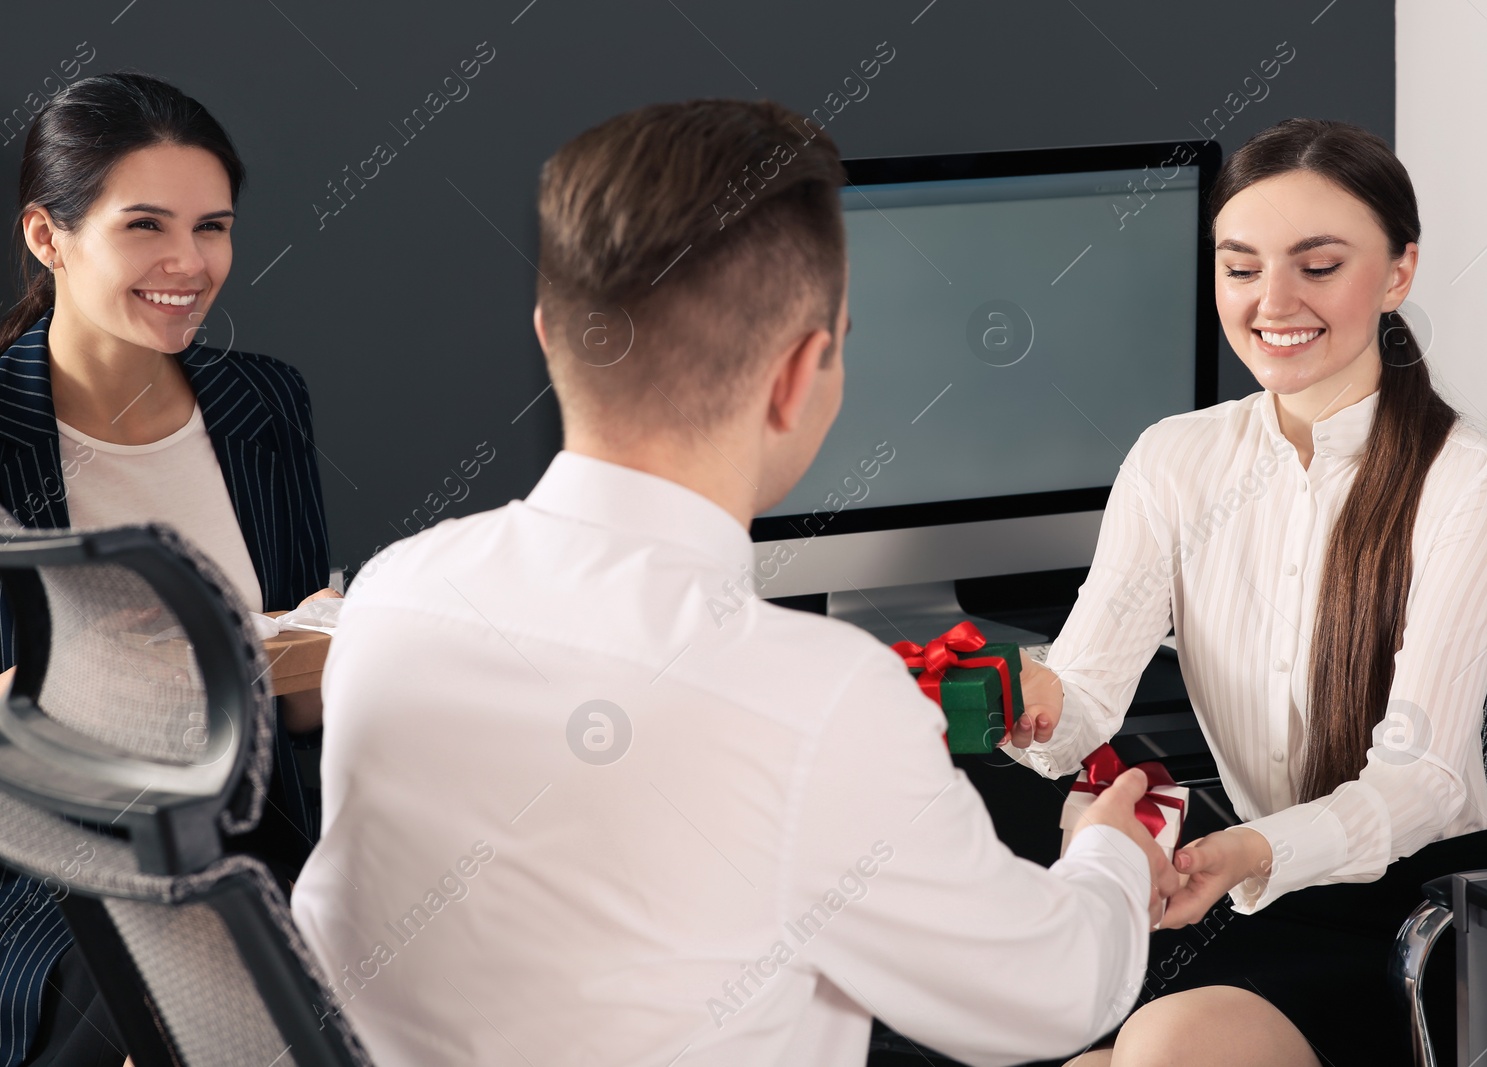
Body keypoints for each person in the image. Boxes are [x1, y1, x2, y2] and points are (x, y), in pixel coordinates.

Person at [291, 98, 1178, 1066]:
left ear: (551, 335)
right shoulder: (816, 696)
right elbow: (1046, 998)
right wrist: (1111, 852)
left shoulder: (395, 594)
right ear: (803, 371)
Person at [1002, 118, 1487, 1067]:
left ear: (1400, 271)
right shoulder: (1176, 459)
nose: (1271, 301)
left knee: (1162, 1048)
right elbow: (1079, 701)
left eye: (1317, 265)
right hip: (1264, 889)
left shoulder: (1467, 479)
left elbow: (1422, 781)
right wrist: (1027, 701)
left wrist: (1251, 852)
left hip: (1428, 922)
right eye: (1241, 267)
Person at [0, 72, 338, 1066]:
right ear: (47, 236)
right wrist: (108, 680)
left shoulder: (264, 402)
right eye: (145, 225)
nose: (189, 263)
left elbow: (293, 690)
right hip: (61, 875)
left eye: (214, 226)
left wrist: (322, 650)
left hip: (269, 843)